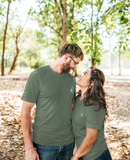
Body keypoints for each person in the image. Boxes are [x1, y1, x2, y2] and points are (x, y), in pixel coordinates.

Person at [21, 43, 84, 160]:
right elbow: (25, 111)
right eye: (75, 63)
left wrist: (76, 142)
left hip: (68, 143)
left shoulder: (71, 80)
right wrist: (29, 148)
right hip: (44, 145)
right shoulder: (38, 76)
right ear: (66, 58)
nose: (75, 67)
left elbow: (71, 110)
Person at [71, 67, 112, 160]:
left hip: (97, 156)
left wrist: (76, 156)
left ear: (92, 82)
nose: (81, 74)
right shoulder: (77, 99)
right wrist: (76, 149)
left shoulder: (93, 104)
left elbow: (91, 138)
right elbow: (78, 129)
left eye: (85, 73)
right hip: (82, 154)